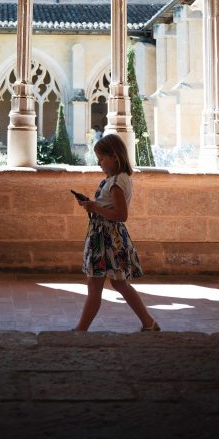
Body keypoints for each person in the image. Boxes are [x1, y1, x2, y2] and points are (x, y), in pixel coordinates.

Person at [73, 133, 160, 332]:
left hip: (106, 238)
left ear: (114, 156)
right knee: (119, 284)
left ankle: (81, 330)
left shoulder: (116, 183)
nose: (99, 163)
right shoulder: (117, 179)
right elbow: (109, 207)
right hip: (110, 237)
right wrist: (92, 205)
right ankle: (149, 322)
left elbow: (121, 214)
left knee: (95, 285)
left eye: (102, 158)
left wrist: (95, 207)